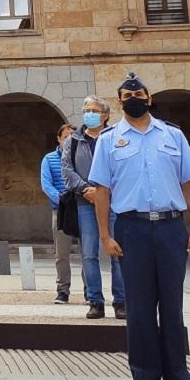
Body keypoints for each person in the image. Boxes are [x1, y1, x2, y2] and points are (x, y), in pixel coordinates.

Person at [90, 72, 190, 380]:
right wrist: (104, 235)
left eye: (139, 94)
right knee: (139, 304)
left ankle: (178, 373)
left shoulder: (172, 135)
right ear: (119, 103)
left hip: (171, 226)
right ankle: (144, 372)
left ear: (150, 98)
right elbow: (102, 189)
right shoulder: (109, 140)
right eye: (127, 97)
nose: (134, 100)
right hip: (132, 227)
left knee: (172, 301)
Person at [61, 95, 125, 319]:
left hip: (115, 203)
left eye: (95, 110)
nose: (89, 113)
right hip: (85, 202)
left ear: (106, 115)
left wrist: (105, 192)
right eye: (86, 109)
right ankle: (95, 301)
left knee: (118, 251)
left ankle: (121, 301)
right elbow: (67, 171)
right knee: (89, 253)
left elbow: (123, 168)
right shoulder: (74, 140)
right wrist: (87, 190)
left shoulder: (115, 137)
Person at [40, 123, 75, 304]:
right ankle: (63, 290)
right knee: (61, 253)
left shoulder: (80, 157)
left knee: (89, 253)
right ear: (59, 139)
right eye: (66, 137)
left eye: (72, 137)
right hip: (61, 210)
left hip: (82, 208)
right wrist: (63, 200)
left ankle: (90, 290)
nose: (69, 141)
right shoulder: (49, 159)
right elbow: (46, 184)